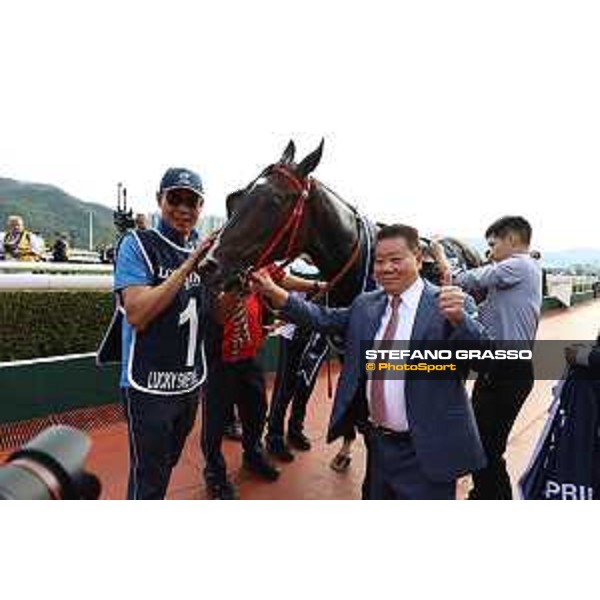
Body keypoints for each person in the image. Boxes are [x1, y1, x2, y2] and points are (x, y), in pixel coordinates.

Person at [251, 224, 489, 500]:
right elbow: (324, 318)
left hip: (426, 452)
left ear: (419, 258)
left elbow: (485, 361)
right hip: (378, 446)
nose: (386, 268)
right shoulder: (366, 304)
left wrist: (462, 321)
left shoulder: (450, 304)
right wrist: (275, 293)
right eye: (379, 261)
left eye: (396, 260)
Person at [113, 167, 214, 499]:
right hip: (147, 386)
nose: (184, 208)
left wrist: (239, 289)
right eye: (175, 198)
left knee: (164, 464)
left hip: (188, 384)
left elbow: (218, 316)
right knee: (149, 476)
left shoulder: (204, 248)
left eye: (192, 201)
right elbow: (138, 314)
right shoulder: (137, 244)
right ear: (160, 199)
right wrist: (188, 267)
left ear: (201, 207)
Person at [432, 215, 542, 499]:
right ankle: (483, 495)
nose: (490, 253)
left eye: (493, 245)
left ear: (513, 240)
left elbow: (465, 279)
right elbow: (479, 314)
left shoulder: (520, 265)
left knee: (488, 450)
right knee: (480, 444)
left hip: (507, 371)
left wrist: (441, 257)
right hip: (496, 368)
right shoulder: (513, 279)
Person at [201, 260, 326, 499]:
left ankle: (253, 453)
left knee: (257, 410)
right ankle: (214, 473)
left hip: (250, 353)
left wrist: (316, 285)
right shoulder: (215, 263)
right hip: (220, 358)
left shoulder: (260, 259)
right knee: (215, 420)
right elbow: (213, 311)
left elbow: (280, 279)